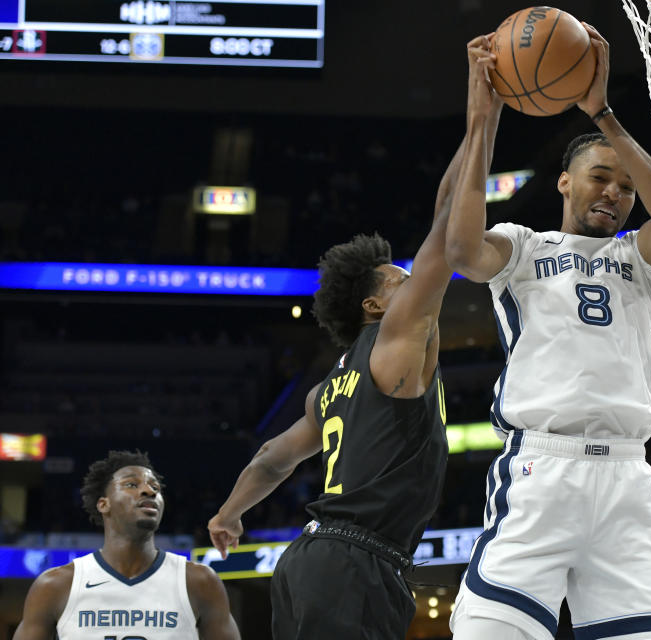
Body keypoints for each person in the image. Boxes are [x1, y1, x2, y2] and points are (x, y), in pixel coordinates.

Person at [206, 50, 503, 640]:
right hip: (353, 565)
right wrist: (484, 116)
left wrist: (228, 512)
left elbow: (273, 457)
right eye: (399, 278)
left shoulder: (328, 387)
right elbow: (448, 228)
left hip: (312, 564)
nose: (412, 281)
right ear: (374, 304)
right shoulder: (395, 339)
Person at [445, 25, 651, 640]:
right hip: (541, 473)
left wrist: (604, 114)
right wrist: (484, 122)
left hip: (627, 483)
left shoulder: (642, 260)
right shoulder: (526, 248)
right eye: (600, 177)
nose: (614, 192)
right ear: (564, 181)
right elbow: (460, 247)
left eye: (626, 186)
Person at [14, 450, 239, 640]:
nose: (149, 490)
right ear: (104, 504)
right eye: (131, 484)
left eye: (155, 487)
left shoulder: (200, 582)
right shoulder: (55, 585)